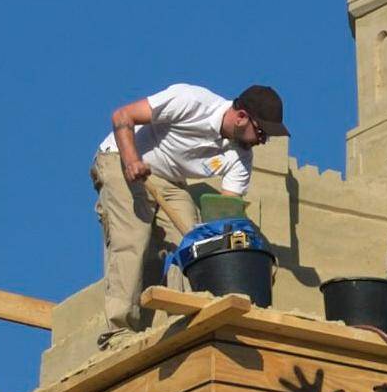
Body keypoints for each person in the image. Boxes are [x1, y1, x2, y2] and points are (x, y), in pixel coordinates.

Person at [92, 82, 288, 348]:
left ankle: (185, 322)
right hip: (121, 157)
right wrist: (131, 160)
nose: (263, 141)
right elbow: (122, 116)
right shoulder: (191, 101)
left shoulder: (241, 158)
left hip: (171, 181)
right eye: (262, 132)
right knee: (133, 238)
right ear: (242, 117)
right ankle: (117, 332)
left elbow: (225, 215)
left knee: (194, 244)